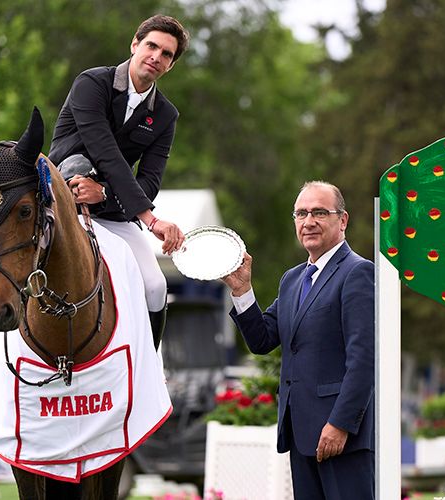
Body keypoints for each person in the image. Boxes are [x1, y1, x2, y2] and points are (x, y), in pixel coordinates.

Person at [222, 181, 375, 499]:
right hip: (299, 433)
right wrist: (241, 291)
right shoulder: (292, 280)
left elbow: (363, 359)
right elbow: (262, 340)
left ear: (342, 220)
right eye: (301, 213)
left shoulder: (358, 273)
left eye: (320, 212)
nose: (309, 222)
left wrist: (341, 424)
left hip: (340, 438)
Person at [47, 14, 190, 350]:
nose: (156, 56)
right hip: (58, 201)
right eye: (151, 45)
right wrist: (150, 219)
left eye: (166, 54)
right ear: (135, 44)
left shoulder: (166, 116)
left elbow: (150, 180)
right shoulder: (92, 83)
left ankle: (150, 369)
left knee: (155, 286)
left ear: (170, 65)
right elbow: (105, 151)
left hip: (113, 210)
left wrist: (105, 196)